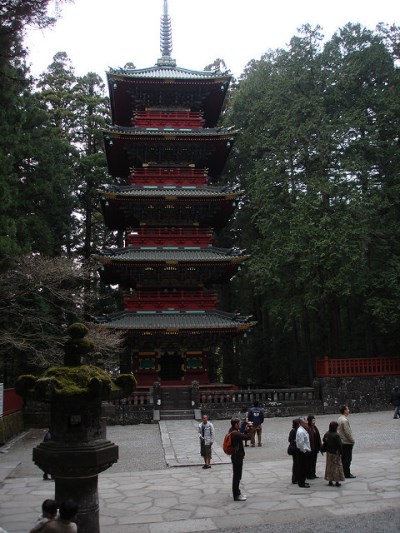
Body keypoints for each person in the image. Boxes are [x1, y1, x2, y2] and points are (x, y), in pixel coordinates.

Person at [228, 417, 251, 501]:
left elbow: (241, 435)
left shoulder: (232, 431)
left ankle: (237, 492)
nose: (241, 425)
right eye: (240, 423)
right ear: (236, 424)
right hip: (237, 456)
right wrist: (250, 429)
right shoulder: (235, 433)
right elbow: (248, 437)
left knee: (237, 475)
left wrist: (245, 430)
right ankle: (236, 495)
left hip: (236, 456)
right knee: (237, 476)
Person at [322, 421, 345, 487]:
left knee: (329, 466)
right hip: (335, 453)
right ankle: (337, 481)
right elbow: (339, 445)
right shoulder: (336, 435)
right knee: (337, 466)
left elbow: (324, 440)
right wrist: (341, 452)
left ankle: (330, 480)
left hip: (329, 453)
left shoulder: (327, 433)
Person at [337, 405, 356, 478]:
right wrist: (352, 440)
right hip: (346, 441)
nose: (348, 410)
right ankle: (346, 473)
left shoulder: (340, 418)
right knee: (347, 458)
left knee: (344, 457)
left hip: (342, 440)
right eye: (347, 409)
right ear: (344, 410)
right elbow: (347, 432)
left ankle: (343, 472)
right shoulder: (344, 420)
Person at [295, 416, 312, 488]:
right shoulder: (301, 431)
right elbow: (301, 443)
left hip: (303, 451)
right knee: (302, 468)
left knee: (304, 467)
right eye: (305, 422)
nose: (307, 423)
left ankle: (302, 481)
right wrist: (304, 451)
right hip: (302, 452)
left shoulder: (302, 430)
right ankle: (301, 482)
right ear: (302, 423)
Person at [306, 414, 322, 479]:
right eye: (312, 420)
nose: (314, 422)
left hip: (315, 447)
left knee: (314, 461)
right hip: (310, 447)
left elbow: (318, 437)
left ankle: (313, 473)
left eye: (314, 420)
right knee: (310, 462)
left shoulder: (315, 428)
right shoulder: (308, 428)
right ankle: (309, 474)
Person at [288, 418, 300, 484]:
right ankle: (295, 478)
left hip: (295, 448)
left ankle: (296, 478)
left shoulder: (294, 430)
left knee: (296, 464)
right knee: (296, 464)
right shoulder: (294, 431)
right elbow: (290, 440)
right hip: (295, 449)